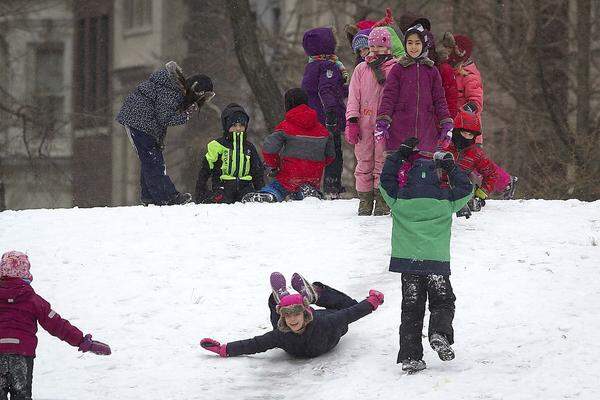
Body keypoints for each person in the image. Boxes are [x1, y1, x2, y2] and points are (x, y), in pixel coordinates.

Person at [379, 137, 473, 374]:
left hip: (409, 264)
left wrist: (399, 156)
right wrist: (450, 166)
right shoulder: (446, 200)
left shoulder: (399, 199)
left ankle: (411, 356)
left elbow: (385, 180)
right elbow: (467, 188)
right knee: (443, 302)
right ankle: (439, 332)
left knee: (411, 309)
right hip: (436, 264)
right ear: (436, 177)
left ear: (408, 177)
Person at [0, 251, 111, 399]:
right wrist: (82, 341)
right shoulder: (34, 300)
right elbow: (57, 324)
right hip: (21, 355)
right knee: (21, 395)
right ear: (25, 273)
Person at [200, 272, 383, 359]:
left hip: (326, 326)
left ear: (304, 314)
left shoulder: (326, 321)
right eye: (289, 317)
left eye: (296, 315)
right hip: (295, 327)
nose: (293, 320)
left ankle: (314, 296)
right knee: (277, 316)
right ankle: (280, 298)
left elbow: (351, 313)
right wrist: (224, 349)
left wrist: (372, 302)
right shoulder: (281, 332)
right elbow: (254, 344)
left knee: (348, 305)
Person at [116, 61, 214, 206]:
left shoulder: (172, 88)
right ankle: (166, 197)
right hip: (137, 121)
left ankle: (149, 196)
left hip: (142, 123)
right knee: (153, 161)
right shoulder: (172, 91)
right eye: (198, 99)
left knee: (152, 160)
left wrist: (159, 140)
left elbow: (160, 119)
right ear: (195, 90)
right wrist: (185, 115)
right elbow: (165, 118)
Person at [241, 89, 334, 203]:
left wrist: (275, 165)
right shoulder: (323, 130)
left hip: (290, 173)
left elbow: (269, 149)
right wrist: (316, 164)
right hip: (313, 175)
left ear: (288, 105)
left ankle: (269, 195)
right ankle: (309, 193)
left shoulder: (285, 126)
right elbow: (330, 156)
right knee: (307, 188)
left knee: (279, 186)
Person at [375, 24, 453, 153]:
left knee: (422, 169)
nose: (413, 47)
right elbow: (389, 97)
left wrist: (446, 122)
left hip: (426, 130)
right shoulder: (398, 69)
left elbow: (440, 100)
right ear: (405, 45)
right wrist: (383, 120)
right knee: (400, 170)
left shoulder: (431, 70)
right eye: (410, 43)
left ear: (423, 45)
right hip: (400, 128)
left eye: (417, 43)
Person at [345, 27, 398, 216]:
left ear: (388, 47)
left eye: (380, 46)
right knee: (364, 162)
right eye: (372, 46)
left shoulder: (395, 69)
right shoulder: (361, 69)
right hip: (364, 123)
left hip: (385, 124)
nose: (375, 50)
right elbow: (353, 96)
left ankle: (382, 199)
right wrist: (352, 120)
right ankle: (365, 200)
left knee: (382, 162)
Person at [442, 110, 518, 217]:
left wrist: (481, 194)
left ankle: (468, 202)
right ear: (456, 131)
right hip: (439, 191)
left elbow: (492, 173)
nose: (467, 137)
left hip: (463, 192)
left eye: (471, 135)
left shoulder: (475, 153)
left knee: (470, 176)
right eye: (465, 133)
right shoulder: (444, 147)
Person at [301, 27, 348, 198]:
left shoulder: (311, 65)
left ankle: (309, 185)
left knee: (315, 154)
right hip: (327, 118)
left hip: (313, 118)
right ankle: (332, 187)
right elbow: (326, 89)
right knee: (334, 153)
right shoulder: (329, 65)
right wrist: (332, 112)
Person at [194, 104, 264, 204]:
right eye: (234, 125)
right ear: (227, 126)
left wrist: (260, 190)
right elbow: (205, 170)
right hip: (223, 186)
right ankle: (212, 199)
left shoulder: (249, 147)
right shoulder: (217, 145)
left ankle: (255, 198)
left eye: (241, 125)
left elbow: (257, 171)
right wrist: (200, 192)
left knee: (249, 201)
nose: (238, 129)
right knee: (222, 200)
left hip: (245, 187)